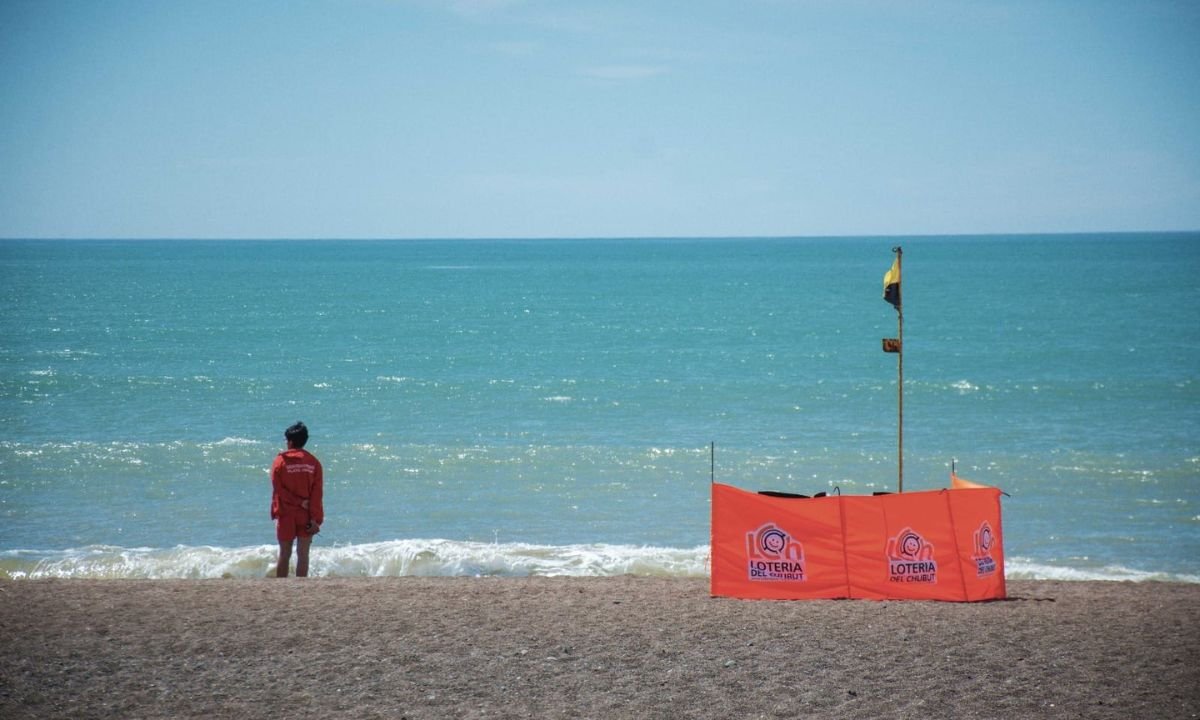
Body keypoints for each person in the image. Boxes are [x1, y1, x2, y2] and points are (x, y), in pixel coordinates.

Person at [270, 421, 323, 578]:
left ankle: (281, 586)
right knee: (303, 554)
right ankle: (301, 587)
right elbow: (317, 494)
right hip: (306, 515)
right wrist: (315, 519)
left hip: (286, 513)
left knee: (284, 553)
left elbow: (279, 489)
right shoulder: (314, 462)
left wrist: (296, 502)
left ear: (290, 442)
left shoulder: (279, 462)